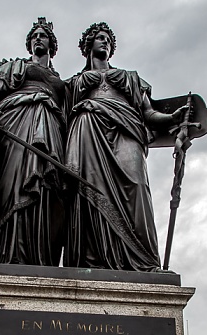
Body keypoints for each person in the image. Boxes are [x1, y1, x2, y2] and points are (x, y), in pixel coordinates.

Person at [64, 22, 189, 272]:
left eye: (108, 39)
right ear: (89, 45)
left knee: (137, 185)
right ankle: (93, 260)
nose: (105, 42)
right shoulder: (75, 83)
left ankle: (144, 261)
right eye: (99, 38)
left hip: (126, 130)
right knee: (89, 191)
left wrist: (174, 118)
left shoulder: (130, 78)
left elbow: (149, 114)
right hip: (88, 131)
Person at [0, 18, 66, 266]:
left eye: (43, 35)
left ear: (52, 45)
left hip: (50, 131)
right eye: (35, 35)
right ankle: (6, 253)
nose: (38, 38)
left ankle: (39, 257)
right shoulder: (15, 67)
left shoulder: (60, 82)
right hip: (15, 127)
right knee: (13, 189)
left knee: (44, 187)